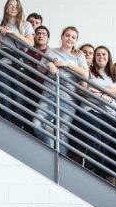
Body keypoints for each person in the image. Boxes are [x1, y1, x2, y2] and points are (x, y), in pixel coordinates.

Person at [33, 26, 90, 157]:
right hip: (49, 95)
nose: (70, 39)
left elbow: (85, 74)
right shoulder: (51, 51)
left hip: (68, 99)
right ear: (62, 36)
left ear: (76, 40)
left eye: (73, 37)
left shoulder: (79, 55)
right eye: (67, 35)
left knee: (62, 133)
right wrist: (49, 64)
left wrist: (66, 64)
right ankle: (49, 151)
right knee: (36, 124)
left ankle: (62, 164)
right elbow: (40, 70)